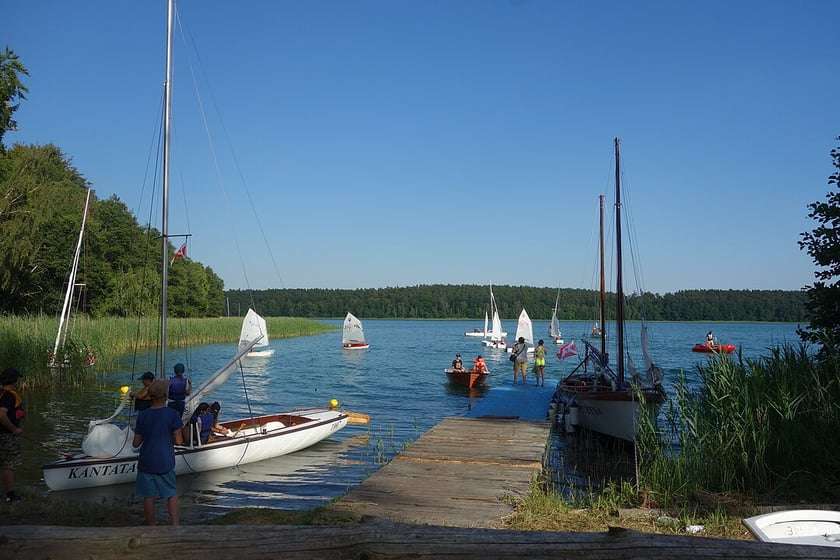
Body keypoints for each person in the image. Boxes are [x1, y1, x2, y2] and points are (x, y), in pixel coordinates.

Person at [132, 379, 183, 526]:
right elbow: (179, 441)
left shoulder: (143, 415)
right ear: (166, 394)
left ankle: (151, 526)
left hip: (147, 461)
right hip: (165, 460)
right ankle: (175, 525)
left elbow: (136, 443)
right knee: (171, 494)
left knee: (148, 497)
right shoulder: (173, 414)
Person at [0, 368, 25, 503]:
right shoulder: (9, 396)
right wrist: (14, 429)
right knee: (9, 464)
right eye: (17, 379)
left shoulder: (1, 393)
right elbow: (2, 415)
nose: (19, 382)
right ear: (14, 381)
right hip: (6, 436)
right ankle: (10, 496)